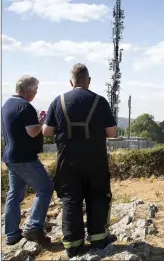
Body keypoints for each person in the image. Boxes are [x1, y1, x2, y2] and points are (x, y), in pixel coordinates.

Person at [43, 63, 117, 257]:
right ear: (89, 81)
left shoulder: (57, 101)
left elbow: (47, 131)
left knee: (70, 201)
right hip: (95, 161)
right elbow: (112, 132)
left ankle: (73, 245)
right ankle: (98, 240)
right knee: (98, 196)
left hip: (67, 161)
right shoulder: (99, 101)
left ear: (71, 82)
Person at [1, 75, 54, 246]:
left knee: (15, 193)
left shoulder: (6, 105)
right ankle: (33, 225)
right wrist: (42, 120)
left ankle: (11, 234)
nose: (36, 94)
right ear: (29, 90)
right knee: (46, 187)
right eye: (36, 90)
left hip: (10, 156)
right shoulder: (26, 107)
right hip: (25, 158)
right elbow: (32, 132)